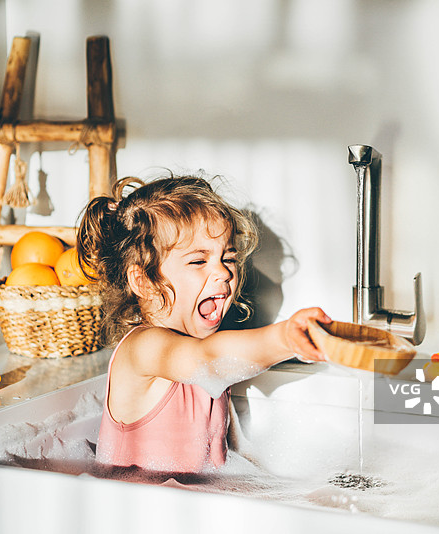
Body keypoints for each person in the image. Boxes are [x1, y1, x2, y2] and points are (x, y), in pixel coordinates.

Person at [76, 173, 331, 474]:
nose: (223, 273)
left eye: (229, 257)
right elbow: (208, 359)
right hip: (140, 511)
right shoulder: (142, 349)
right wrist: (286, 337)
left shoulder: (206, 356)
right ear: (143, 281)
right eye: (199, 261)